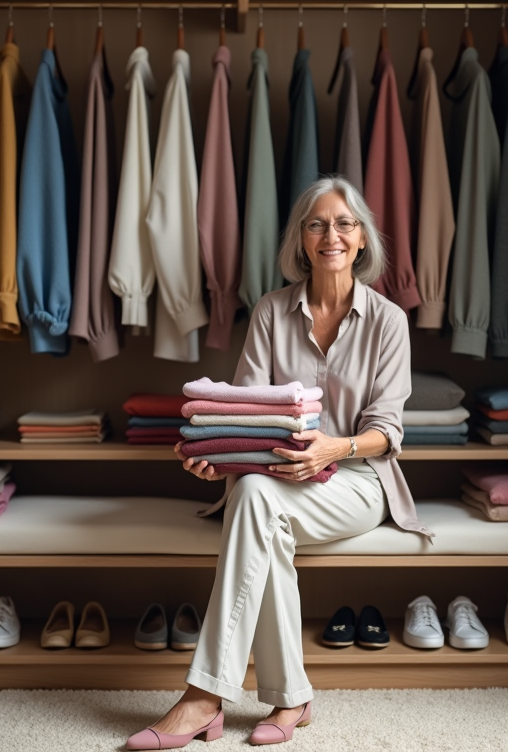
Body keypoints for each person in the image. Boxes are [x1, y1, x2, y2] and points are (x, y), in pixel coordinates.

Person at [126, 176, 432, 750]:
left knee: (254, 505)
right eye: (317, 224)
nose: (331, 235)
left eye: (344, 223)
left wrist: (331, 447)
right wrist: (215, 462)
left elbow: (386, 434)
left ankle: (206, 697)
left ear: (362, 239)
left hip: (359, 482)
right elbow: (240, 413)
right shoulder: (270, 311)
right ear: (302, 239)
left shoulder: (389, 320)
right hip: (270, 479)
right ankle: (288, 698)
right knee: (252, 499)